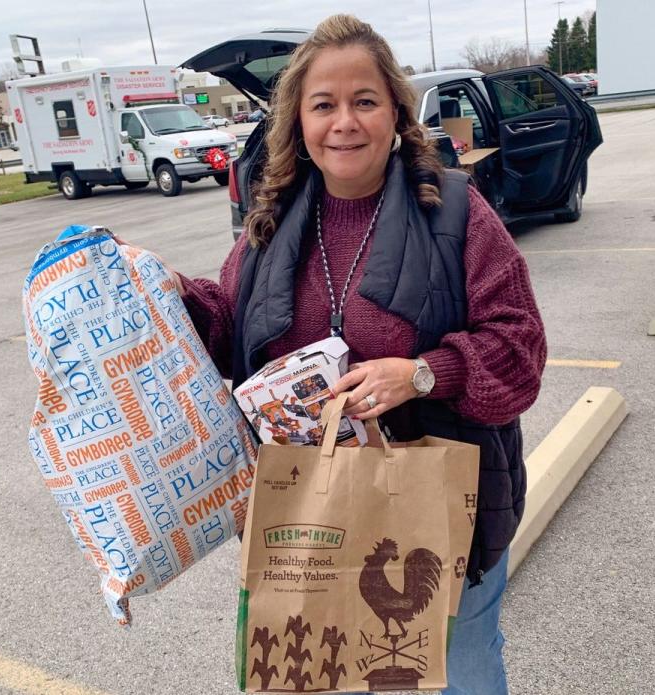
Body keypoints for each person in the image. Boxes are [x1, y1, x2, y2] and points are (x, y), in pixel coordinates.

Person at [173, 14, 546, 694]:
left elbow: (520, 350)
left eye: (364, 101)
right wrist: (170, 298)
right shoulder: (271, 223)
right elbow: (229, 328)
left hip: (442, 511)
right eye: (324, 104)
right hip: (312, 513)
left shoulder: (457, 213)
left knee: (459, 672)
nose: (344, 121)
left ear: (396, 115)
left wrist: (424, 372)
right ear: (299, 122)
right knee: (332, 674)